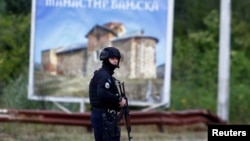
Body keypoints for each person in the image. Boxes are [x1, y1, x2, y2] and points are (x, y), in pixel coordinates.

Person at [89, 47, 127, 141]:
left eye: (117, 59)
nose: (115, 61)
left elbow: (106, 95)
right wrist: (119, 100)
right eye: (112, 58)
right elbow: (102, 93)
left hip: (103, 115)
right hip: (103, 116)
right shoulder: (104, 75)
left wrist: (117, 107)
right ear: (106, 59)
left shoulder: (106, 76)